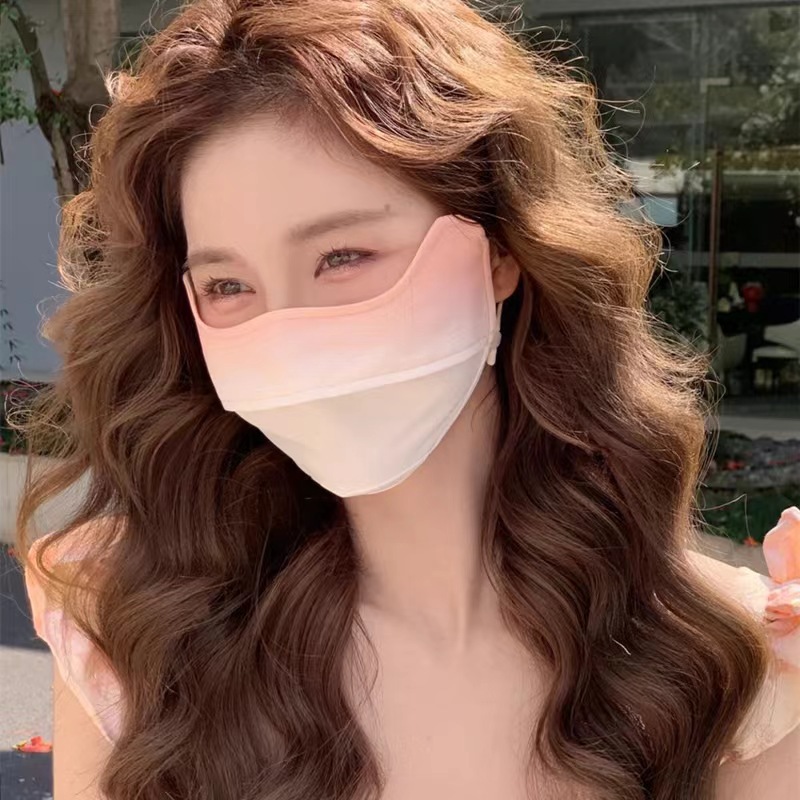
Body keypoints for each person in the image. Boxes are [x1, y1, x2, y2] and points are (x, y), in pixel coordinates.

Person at [15, 1, 799, 798]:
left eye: (343, 256)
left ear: (500, 252)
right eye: (227, 285)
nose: (287, 336)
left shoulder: (728, 657)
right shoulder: (136, 634)